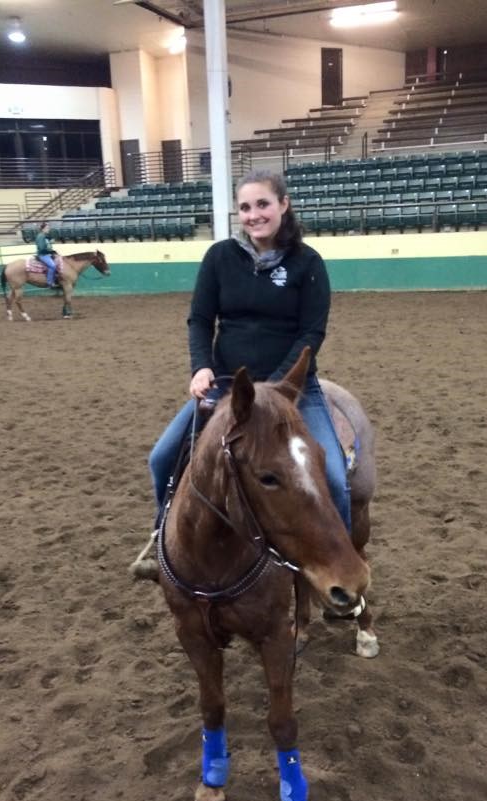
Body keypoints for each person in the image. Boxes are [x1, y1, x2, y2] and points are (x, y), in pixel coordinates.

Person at [132, 169, 349, 581]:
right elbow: (200, 319)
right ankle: (161, 539)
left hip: (294, 390)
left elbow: (311, 332)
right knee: (162, 458)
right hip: (229, 387)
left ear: (283, 205)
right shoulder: (219, 257)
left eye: (263, 204)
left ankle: (342, 571)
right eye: (245, 207)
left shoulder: (308, 263)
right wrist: (201, 367)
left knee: (335, 480)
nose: (254, 215)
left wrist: (279, 387)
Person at [35, 221, 58, 287]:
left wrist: (50, 242)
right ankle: (49, 282)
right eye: (47, 228)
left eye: (48, 228)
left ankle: (56, 279)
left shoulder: (44, 236)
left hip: (47, 254)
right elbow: (42, 248)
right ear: (43, 229)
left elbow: (47, 243)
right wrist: (51, 252)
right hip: (43, 255)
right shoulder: (40, 236)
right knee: (52, 266)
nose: (48, 229)